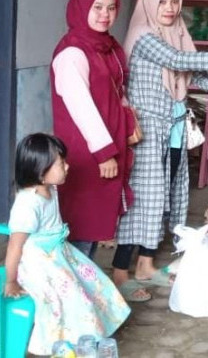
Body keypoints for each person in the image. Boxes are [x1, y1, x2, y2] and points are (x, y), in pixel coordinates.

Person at [112, 0, 208, 301]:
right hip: (148, 131)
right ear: (150, 3)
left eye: (175, 1)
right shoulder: (143, 35)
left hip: (174, 127)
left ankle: (146, 265)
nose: (170, 8)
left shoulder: (176, 35)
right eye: (162, 1)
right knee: (143, 202)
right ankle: (121, 272)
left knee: (164, 198)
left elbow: (191, 74)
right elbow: (178, 62)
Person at [4, 133, 130, 355]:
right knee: (71, 295)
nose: (68, 167)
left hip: (58, 253)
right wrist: (11, 281)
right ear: (41, 173)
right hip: (38, 264)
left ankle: (91, 331)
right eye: (61, 163)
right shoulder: (28, 204)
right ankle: (68, 341)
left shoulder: (50, 189)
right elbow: (15, 247)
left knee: (92, 281)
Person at [51, 0, 135, 259]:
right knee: (82, 226)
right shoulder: (73, 52)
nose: (105, 14)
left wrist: (129, 120)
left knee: (96, 224)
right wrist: (104, 153)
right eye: (97, 7)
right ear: (81, 9)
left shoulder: (106, 47)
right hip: (87, 154)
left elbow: (115, 91)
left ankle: (87, 290)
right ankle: (75, 290)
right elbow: (82, 109)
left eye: (111, 8)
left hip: (106, 149)